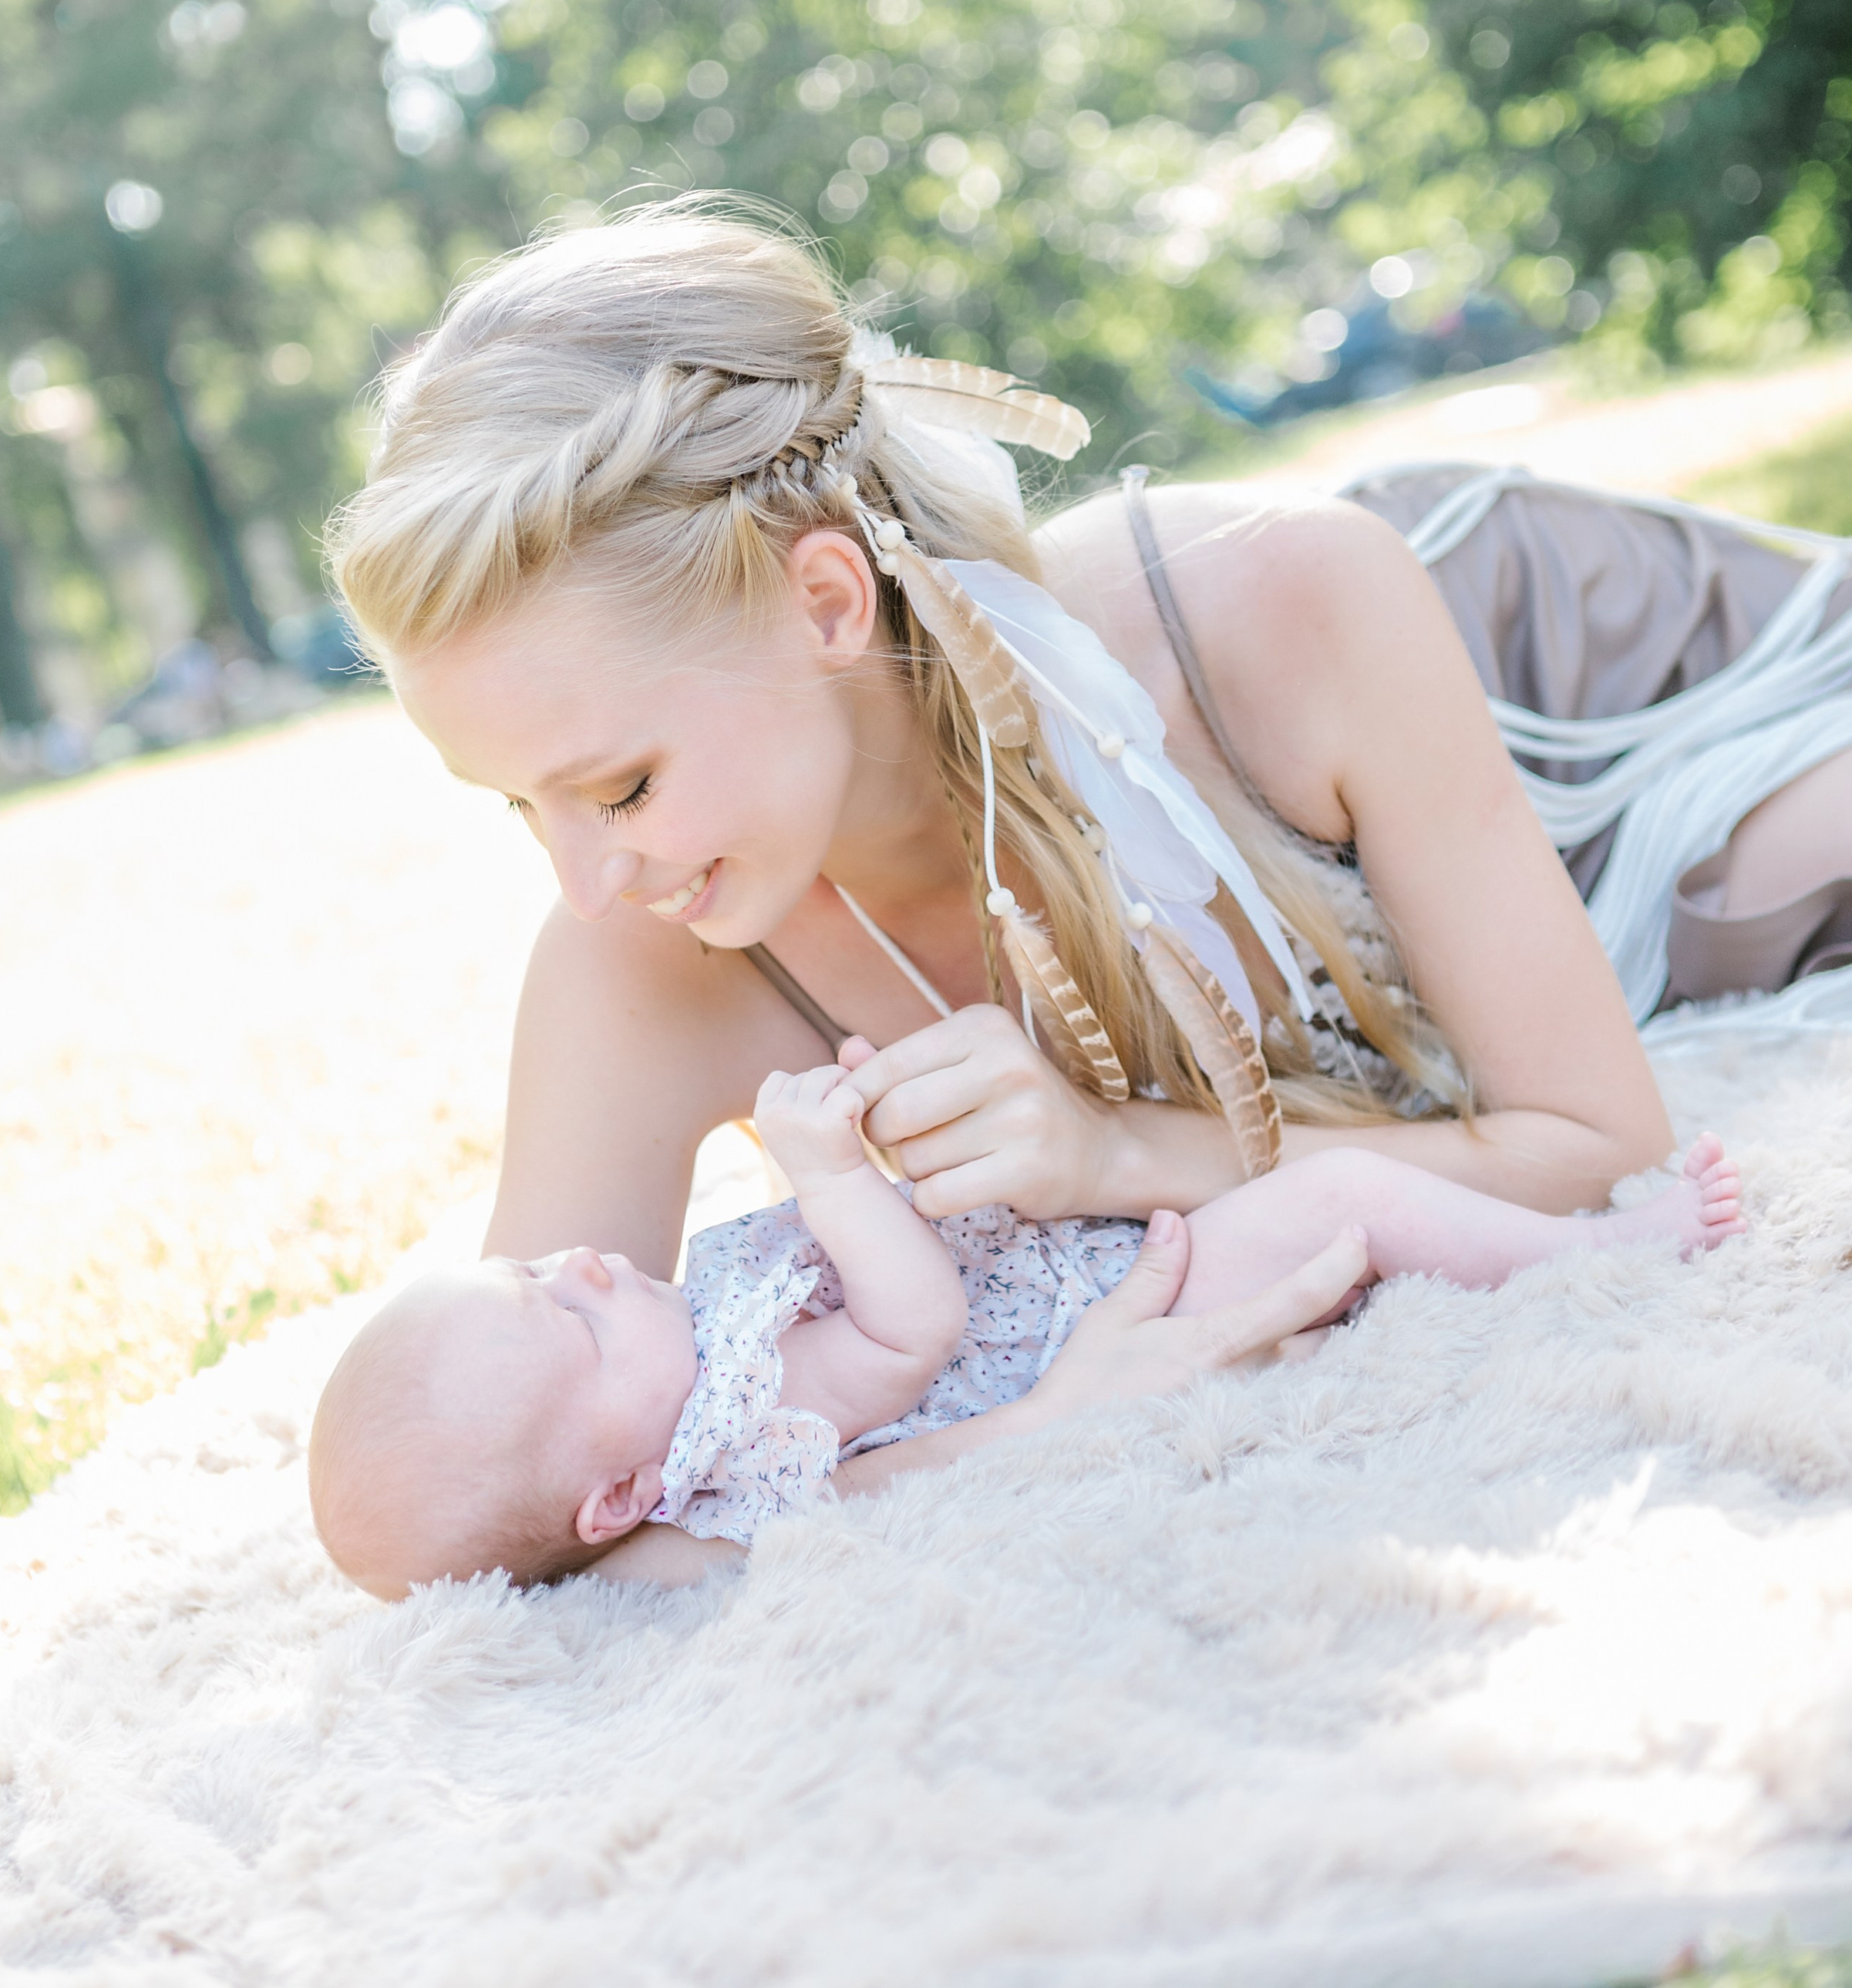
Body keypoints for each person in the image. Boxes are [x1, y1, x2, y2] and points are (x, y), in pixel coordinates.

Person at [323, 202, 1840, 1575]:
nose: (583, 884)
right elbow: (530, 1523)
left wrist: (1117, 1151)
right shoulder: (632, 966)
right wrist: (1006, 1445)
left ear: (826, 602)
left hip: (1562, 690)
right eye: (518, 808)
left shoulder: (1279, 597)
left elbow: (1594, 1146)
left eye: (622, 788)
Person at [308, 1055, 1743, 1599]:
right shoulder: (741, 1419)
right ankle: (1602, 1249)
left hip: (1084, 1266)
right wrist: (828, 1173)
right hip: (1126, 1309)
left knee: (1341, 1198)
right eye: (573, 1325)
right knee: (1352, 1192)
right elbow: (912, 1328)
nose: (590, 1271)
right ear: (621, 1494)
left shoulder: (692, 1350)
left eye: (541, 1272)